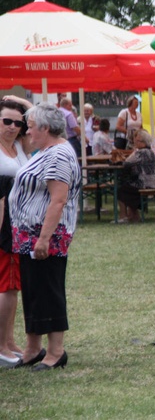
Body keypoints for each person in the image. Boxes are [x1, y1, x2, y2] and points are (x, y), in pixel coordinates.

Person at [9, 102, 81, 371]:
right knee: (33, 290)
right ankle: (32, 348)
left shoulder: (59, 154)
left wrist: (43, 238)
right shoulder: (46, 150)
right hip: (29, 235)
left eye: (30, 127)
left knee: (48, 290)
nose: (27, 132)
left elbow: (58, 199)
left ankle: (55, 352)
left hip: (46, 236)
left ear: (46, 128)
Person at [0, 96, 30, 368]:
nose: (11, 126)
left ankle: (8, 341)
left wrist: (21, 103)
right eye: (6, 120)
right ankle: (1, 346)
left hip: (19, 224)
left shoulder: (20, 146)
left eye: (17, 123)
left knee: (13, 288)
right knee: (6, 287)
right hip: (4, 226)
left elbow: (43, 122)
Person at [117, 130, 155, 223]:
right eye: (135, 140)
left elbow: (127, 163)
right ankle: (133, 215)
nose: (135, 143)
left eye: (138, 141)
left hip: (144, 182)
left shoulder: (141, 152)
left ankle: (124, 216)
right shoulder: (150, 151)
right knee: (128, 186)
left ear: (144, 142)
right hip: (152, 181)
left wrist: (130, 154)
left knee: (121, 189)